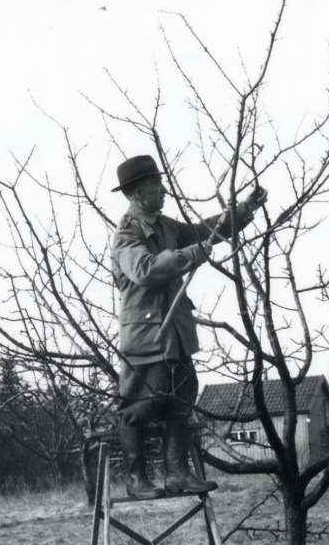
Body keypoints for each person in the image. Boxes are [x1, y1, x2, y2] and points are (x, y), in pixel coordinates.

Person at [109, 154, 266, 498]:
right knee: (138, 409)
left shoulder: (165, 227)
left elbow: (202, 232)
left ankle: (178, 474)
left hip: (175, 334)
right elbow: (147, 270)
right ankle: (137, 481)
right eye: (156, 186)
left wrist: (242, 211)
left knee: (181, 402)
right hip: (146, 338)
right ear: (137, 193)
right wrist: (194, 253)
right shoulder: (125, 236)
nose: (164, 191)